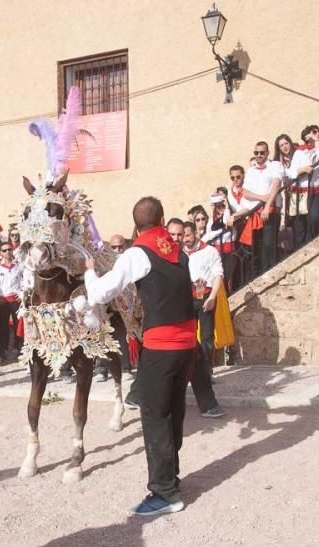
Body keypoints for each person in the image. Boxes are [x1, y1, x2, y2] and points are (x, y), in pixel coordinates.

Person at [84, 196, 195, 516]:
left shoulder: (137, 252)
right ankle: (170, 479)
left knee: (155, 416)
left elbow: (102, 293)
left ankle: (164, 493)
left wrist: (91, 272)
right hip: (187, 343)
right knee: (174, 412)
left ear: (136, 224)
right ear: (161, 219)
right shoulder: (177, 250)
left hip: (161, 345)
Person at [187, 237, 226, 419]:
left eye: (186, 235)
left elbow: (218, 274)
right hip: (186, 298)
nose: (183, 239)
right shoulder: (177, 253)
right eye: (179, 235)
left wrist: (211, 298)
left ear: (194, 234)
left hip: (206, 297)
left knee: (206, 336)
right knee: (188, 338)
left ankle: (207, 370)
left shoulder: (210, 251)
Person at [241, 141, 284, 273]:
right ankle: (262, 273)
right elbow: (245, 192)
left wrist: (267, 205)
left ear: (267, 153)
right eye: (256, 153)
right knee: (259, 246)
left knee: (269, 243)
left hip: (270, 211)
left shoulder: (275, 165)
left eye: (262, 152)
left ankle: (271, 271)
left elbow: (276, 185)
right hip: (256, 212)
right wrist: (262, 198)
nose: (259, 155)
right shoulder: (251, 170)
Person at [0, 244, 23, 365]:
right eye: (4, 250)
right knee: (3, 329)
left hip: (17, 300)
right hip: (3, 301)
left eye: (9, 249)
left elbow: (27, 280)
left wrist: (23, 293)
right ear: (1, 253)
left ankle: (21, 351)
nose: (8, 252)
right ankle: (1, 355)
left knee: (19, 326)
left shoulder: (19, 266)